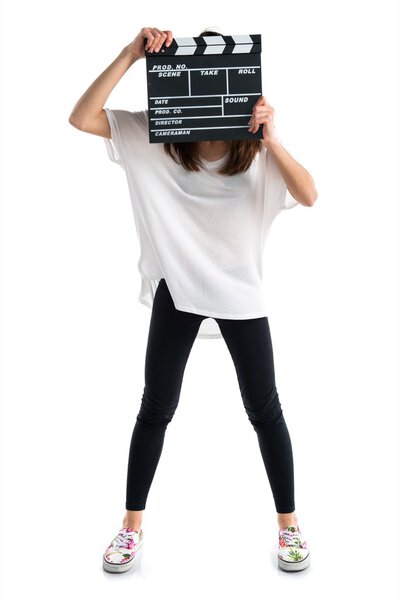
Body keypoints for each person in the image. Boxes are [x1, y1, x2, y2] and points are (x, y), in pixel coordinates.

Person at [69, 26, 318, 574]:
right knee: (156, 406)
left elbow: (309, 194)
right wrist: (131, 55)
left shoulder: (254, 149)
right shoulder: (155, 137)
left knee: (264, 407)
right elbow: (81, 118)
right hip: (178, 290)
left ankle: (289, 524)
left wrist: (273, 137)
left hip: (242, 292)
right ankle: (131, 526)